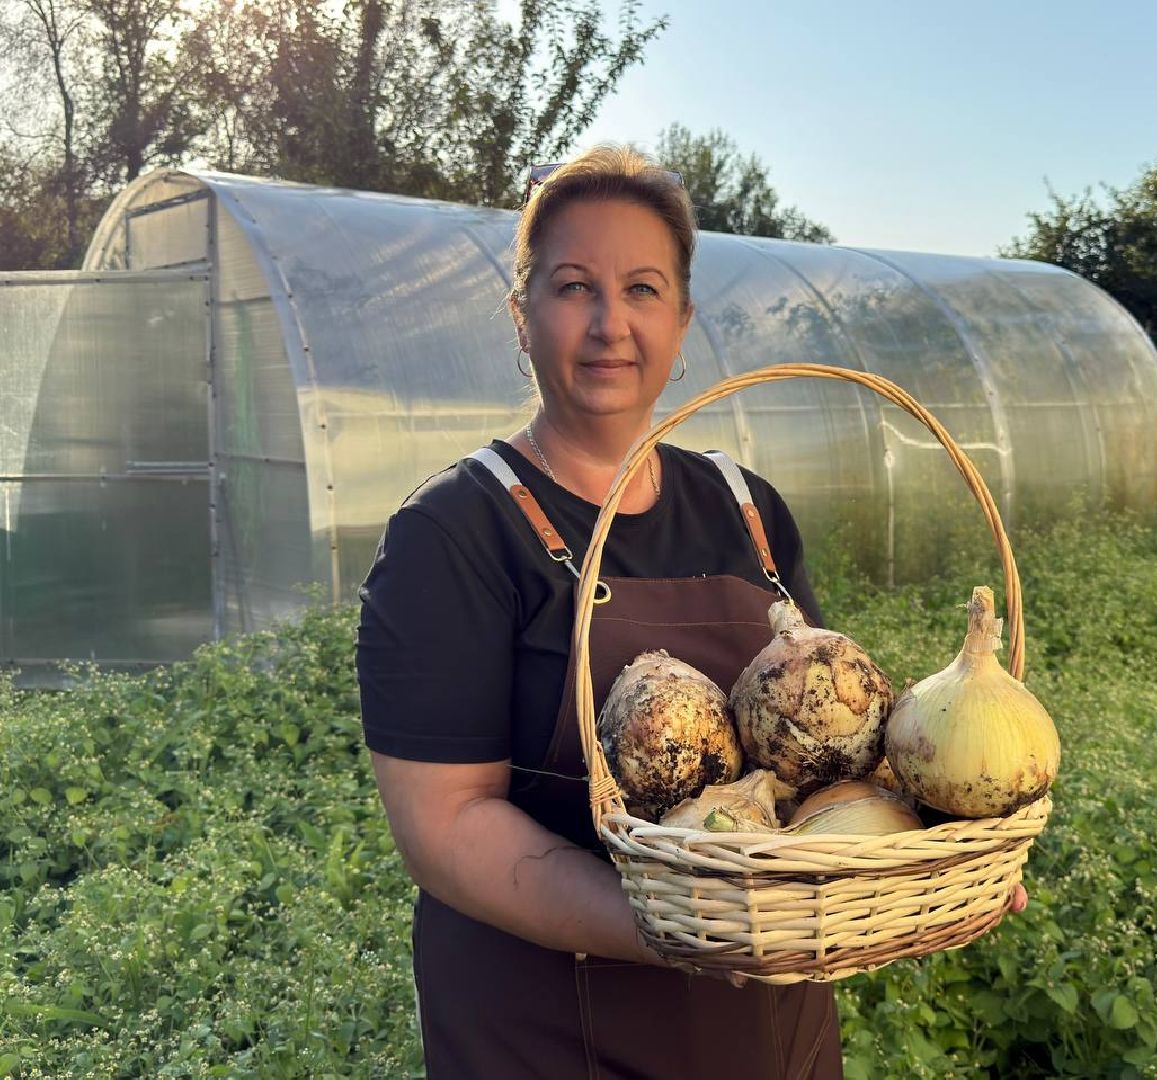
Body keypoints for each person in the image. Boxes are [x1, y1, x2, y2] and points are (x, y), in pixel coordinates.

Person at [356, 144, 1024, 1079]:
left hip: (764, 1029)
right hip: (545, 1031)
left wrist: (938, 849)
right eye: (573, 287)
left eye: (641, 289)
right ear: (521, 316)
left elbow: (826, 761)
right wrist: (681, 925)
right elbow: (445, 825)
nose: (607, 325)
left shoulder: (746, 509)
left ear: (682, 320)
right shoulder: (454, 534)